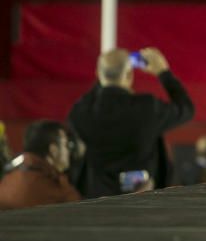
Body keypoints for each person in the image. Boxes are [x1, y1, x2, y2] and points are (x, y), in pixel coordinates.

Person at [68, 47, 194, 198]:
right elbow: (185, 108)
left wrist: (106, 72)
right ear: (129, 75)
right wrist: (163, 72)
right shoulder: (147, 108)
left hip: (95, 202)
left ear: (98, 75)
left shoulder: (82, 113)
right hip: (143, 199)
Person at [0, 120, 81, 210]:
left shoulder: (9, 176)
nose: (68, 151)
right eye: (66, 145)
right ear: (53, 150)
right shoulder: (52, 186)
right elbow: (78, 207)